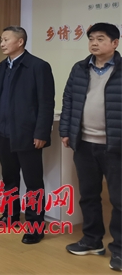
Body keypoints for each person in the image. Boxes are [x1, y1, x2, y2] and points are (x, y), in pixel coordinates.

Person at [59, 23, 121, 272]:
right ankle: (92, 240)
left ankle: (120, 249)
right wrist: (66, 131)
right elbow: (69, 99)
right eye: (91, 38)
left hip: (116, 146)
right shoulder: (80, 68)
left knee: (119, 199)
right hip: (84, 143)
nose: (94, 43)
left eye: (101, 38)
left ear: (115, 43)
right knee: (89, 195)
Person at [0, 26, 55, 245]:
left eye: (6, 39)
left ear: (20, 42)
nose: (2, 43)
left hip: (27, 134)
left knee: (33, 183)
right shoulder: (2, 66)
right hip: (3, 133)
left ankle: (35, 226)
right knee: (9, 179)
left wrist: (41, 132)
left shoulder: (38, 66)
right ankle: (10, 216)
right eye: (1, 39)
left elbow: (46, 103)